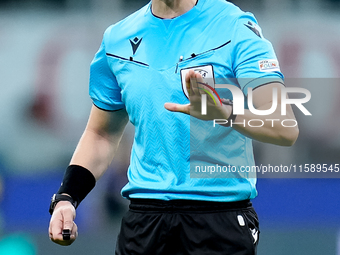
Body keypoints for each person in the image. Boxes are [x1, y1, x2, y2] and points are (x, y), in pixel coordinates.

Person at [48, 0, 299, 254]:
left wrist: (224, 113)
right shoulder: (118, 38)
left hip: (219, 218)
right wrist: (67, 197)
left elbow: (284, 126)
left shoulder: (235, 26)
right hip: (144, 222)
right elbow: (101, 134)